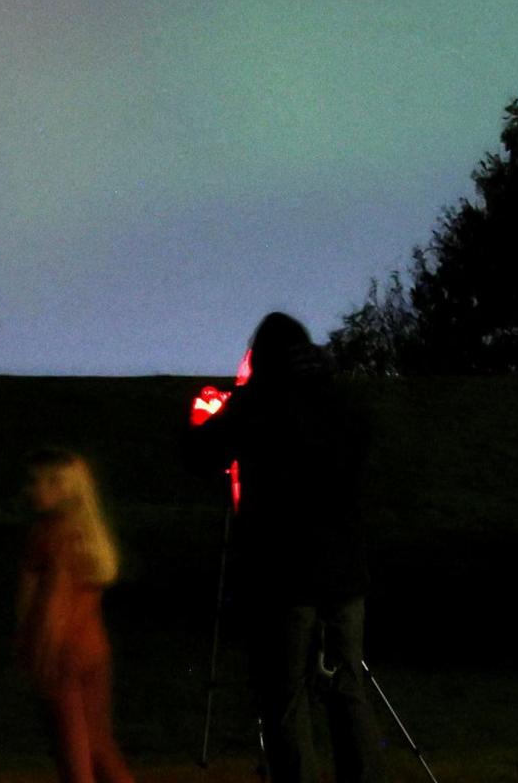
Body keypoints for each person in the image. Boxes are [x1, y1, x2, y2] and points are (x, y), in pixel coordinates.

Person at [189, 310, 377, 782]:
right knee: (348, 688)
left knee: (285, 696)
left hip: (285, 573)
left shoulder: (258, 405)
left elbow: (201, 453)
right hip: (345, 571)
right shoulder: (342, 402)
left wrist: (227, 405)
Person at [19, 451, 138, 783]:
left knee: (72, 755)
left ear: (63, 488)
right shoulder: (89, 533)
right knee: (100, 745)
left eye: (42, 482)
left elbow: (51, 601)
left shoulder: (47, 535)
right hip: (94, 651)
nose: (32, 489)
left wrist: (37, 650)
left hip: (61, 657)